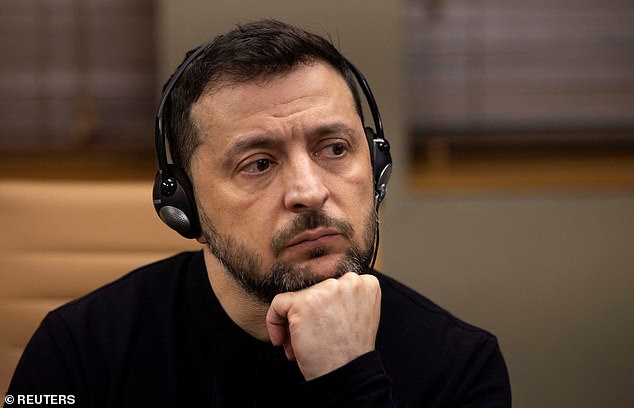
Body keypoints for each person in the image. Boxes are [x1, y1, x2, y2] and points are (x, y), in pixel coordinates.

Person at [7, 20, 511, 407]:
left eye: (335, 148)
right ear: (184, 207)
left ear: (376, 168)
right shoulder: (78, 351)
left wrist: (349, 378)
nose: (309, 192)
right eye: (259, 163)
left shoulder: (459, 367)